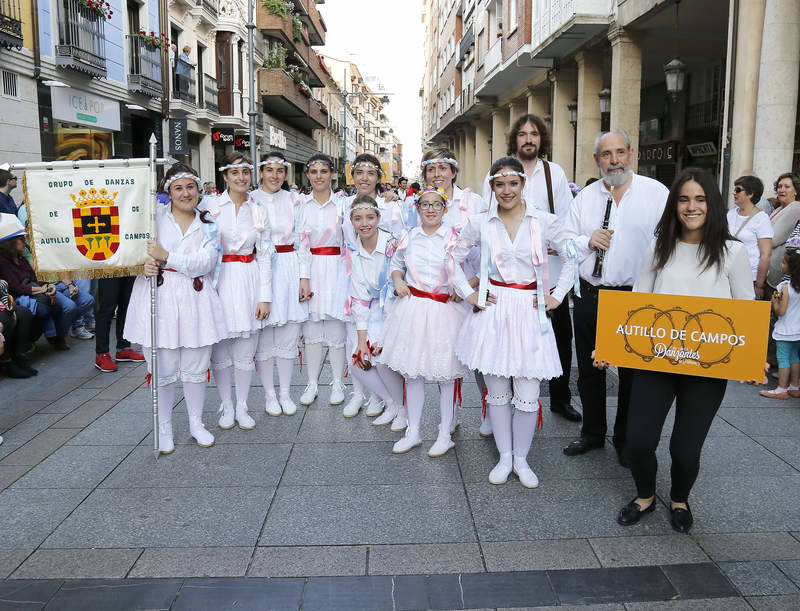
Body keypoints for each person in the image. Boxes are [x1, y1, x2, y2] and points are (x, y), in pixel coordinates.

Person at [613, 167, 753, 533]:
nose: (692, 207)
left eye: (700, 199)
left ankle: (679, 499)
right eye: (684, 199)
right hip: (654, 362)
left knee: (685, 450)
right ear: (675, 204)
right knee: (638, 442)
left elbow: (746, 310)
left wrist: (750, 359)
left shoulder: (731, 252)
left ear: (713, 204)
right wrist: (610, 346)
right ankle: (644, 497)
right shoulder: (659, 246)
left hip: (705, 369)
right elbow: (637, 302)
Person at [452, 157, 577, 487]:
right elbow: (453, 257)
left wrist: (558, 294)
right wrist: (469, 293)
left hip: (530, 312)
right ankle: (504, 456)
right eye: (499, 184)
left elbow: (572, 256)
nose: (506, 190)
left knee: (526, 391)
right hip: (493, 311)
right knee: (496, 392)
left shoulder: (544, 222)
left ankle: (521, 459)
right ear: (492, 187)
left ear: (523, 185)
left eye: (513, 183)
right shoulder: (480, 222)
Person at [562, 129, 669, 467]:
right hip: (591, 295)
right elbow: (564, 245)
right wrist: (585, 240)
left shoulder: (656, 194)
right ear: (597, 160)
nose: (614, 160)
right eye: (607, 154)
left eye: (620, 152)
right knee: (590, 372)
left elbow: (670, 244)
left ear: (631, 153)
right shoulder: (585, 199)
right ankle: (592, 433)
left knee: (632, 374)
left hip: (635, 297)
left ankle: (625, 439)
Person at [482, 113, 581, 425]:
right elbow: (488, 218)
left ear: (542, 139)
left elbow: (566, 219)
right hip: (511, 278)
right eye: (523, 134)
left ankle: (560, 398)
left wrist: (558, 243)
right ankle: (512, 398)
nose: (529, 139)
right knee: (510, 339)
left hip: (550, 274)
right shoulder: (499, 172)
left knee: (560, 337)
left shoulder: (555, 173)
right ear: (515, 139)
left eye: (534, 134)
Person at [123, 163, 227, 453]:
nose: (185, 193)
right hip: (159, 297)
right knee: (163, 366)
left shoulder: (208, 224)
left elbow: (205, 263)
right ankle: (165, 426)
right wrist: (143, 265)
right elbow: (133, 253)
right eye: (178, 188)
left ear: (198, 189)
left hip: (196, 299)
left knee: (196, 365)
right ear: (168, 191)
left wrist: (167, 256)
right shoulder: (152, 219)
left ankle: (196, 423)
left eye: (190, 187)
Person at [376, 186, 468, 455]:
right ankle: (413, 430)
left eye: (436, 205)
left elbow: (472, 266)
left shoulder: (453, 238)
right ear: (417, 209)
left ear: (444, 209)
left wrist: (463, 288)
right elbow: (395, 262)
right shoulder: (408, 237)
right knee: (412, 373)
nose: (430, 209)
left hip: (444, 310)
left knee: (446, 374)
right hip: (413, 309)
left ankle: (444, 432)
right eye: (425, 205)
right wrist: (397, 279)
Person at [417, 148, 488, 434]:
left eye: (443, 168)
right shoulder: (423, 202)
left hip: (471, 289)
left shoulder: (474, 202)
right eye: (431, 170)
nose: (437, 175)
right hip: (439, 293)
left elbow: (489, 251)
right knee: (447, 355)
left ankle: (490, 409)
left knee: (481, 355)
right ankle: (453, 412)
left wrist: (468, 285)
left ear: (454, 171)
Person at [205, 153, 272, 430]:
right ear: (225, 177)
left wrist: (264, 295)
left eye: (245, 172)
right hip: (218, 279)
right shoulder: (210, 206)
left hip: (248, 278)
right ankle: (226, 405)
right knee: (220, 350)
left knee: (246, 347)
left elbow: (265, 254)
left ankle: (242, 404)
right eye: (235, 173)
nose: (241, 178)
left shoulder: (257, 210)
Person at [339, 154, 405, 419]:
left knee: (385, 354)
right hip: (357, 284)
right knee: (356, 348)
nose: (365, 178)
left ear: (379, 177)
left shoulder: (392, 208)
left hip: (389, 294)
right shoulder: (342, 204)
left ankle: (393, 404)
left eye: (371, 173)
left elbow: (401, 250)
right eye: (359, 172)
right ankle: (369, 397)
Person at [251, 152, 311, 416]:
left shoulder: (294, 200)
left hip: (288, 265)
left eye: (279, 171)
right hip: (260, 268)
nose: (274, 176)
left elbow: (302, 239)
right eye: (269, 170)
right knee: (264, 338)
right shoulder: (251, 199)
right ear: (261, 172)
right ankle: (269, 395)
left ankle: (286, 393)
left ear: (286, 174)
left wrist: (304, 276)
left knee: (288, 335)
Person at [298, 153, 350, 408]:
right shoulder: (301, 205)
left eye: (324, 171)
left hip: (337, 267)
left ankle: (338, 382)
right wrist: (304, 278)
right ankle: (312, 383)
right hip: (311, 268)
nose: (319, 176)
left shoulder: (343, 205)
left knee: (336, 328)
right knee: (312, 330)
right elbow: (300, 244)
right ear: (308, 175)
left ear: (332, 174)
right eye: (314, 171)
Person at [0, 219, 80, 352]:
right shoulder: (3, 263)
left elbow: (34, 278)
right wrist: (43, 290)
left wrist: (48, 286)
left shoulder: (21, 258)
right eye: (21, 239)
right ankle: (32, 341)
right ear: (11, 243)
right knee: (44, 309)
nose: (25, 241)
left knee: (60, 306)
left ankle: (56, 337)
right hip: (18, 297)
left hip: (34, 291)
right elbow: (17, 288)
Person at [760, 240, 800, 399]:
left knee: (783, 359)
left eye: (783, 262)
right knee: (795, 358)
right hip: (798, 329)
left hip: (785, 330)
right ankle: (795, 385)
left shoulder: (785, 287)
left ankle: (781, 389)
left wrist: (774, 303)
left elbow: (781, 311)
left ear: (791, 268)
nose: (781, 264)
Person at [728, 175, 772, 299]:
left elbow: (766, 254)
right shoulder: (730, 214)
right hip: (728, 273)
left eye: (738, 190)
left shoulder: (761, 219)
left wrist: (759, 284)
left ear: (750, 194)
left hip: (750, 276)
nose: (734, 193)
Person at [94, 276, 144, 373]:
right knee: (107, 309)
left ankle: (123, 348)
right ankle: (101, 354)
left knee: (127, 307)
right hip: (109, 268)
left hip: (127, 265)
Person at [766, 173, 800, 291]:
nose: (782, 190)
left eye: (787, 187)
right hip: (769, 272)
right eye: (780, 186)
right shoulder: (780, 208)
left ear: (796, 190)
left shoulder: (795, 209)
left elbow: (772, 239)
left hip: (780, 276)